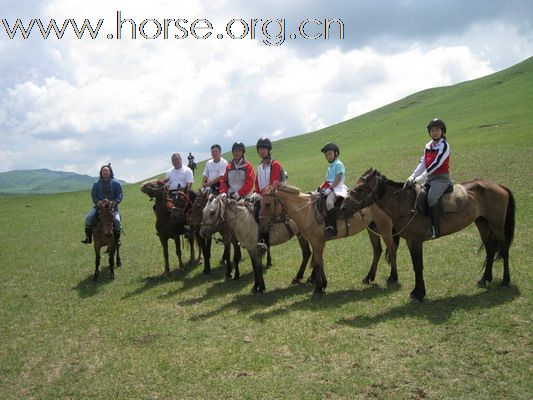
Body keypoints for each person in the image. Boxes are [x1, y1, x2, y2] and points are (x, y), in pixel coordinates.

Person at [404, 118, 451, 239]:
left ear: (442, 132)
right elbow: (423, 162)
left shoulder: (444, 146)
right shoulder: (428, 146)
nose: (434, 132)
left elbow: (437, 163)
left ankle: (436, 228)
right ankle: (425, 222)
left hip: (441, 178)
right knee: (420, 196)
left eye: (437, 130)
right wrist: (412, 176)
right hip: (430, 178)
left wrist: (422, 177)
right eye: (432, 130)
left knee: (431, 198)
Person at [252, 137, 284, 251]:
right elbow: (257, 183)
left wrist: (262, 195)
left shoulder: (274, 164)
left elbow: (274, 183)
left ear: (268, 150)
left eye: (264, 149)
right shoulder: (260, 166)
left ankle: (264, 241)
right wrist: (255, 192)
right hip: (262, 195)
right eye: (260, 149)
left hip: (273, 195)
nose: (262, 151)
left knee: (260, 213)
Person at [81, 164, 123, 245]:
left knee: (117, 221)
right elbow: (94, 196)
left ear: (110, 172)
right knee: (88, 217)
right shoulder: (96, 184)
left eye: (107, 171)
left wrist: (115, 202)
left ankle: (117, 240)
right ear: (101, 173)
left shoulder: (116, 184)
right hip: (99, 207)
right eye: (104, 171)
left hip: (112, 208)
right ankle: (88, 237)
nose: (105, 172)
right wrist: (98, 202)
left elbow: (120, 194)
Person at [319, 142, 348, 237]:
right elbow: (327, 180)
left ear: (336, 153)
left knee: (329, 203)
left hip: (337, 187)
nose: (328, 156)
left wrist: (330, 189)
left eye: (330, 154)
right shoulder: (329, 167)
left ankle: (333, 227)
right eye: (326, 155)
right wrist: (320, 187)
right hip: (329, 187)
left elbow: (338, 178)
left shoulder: (338, 164)